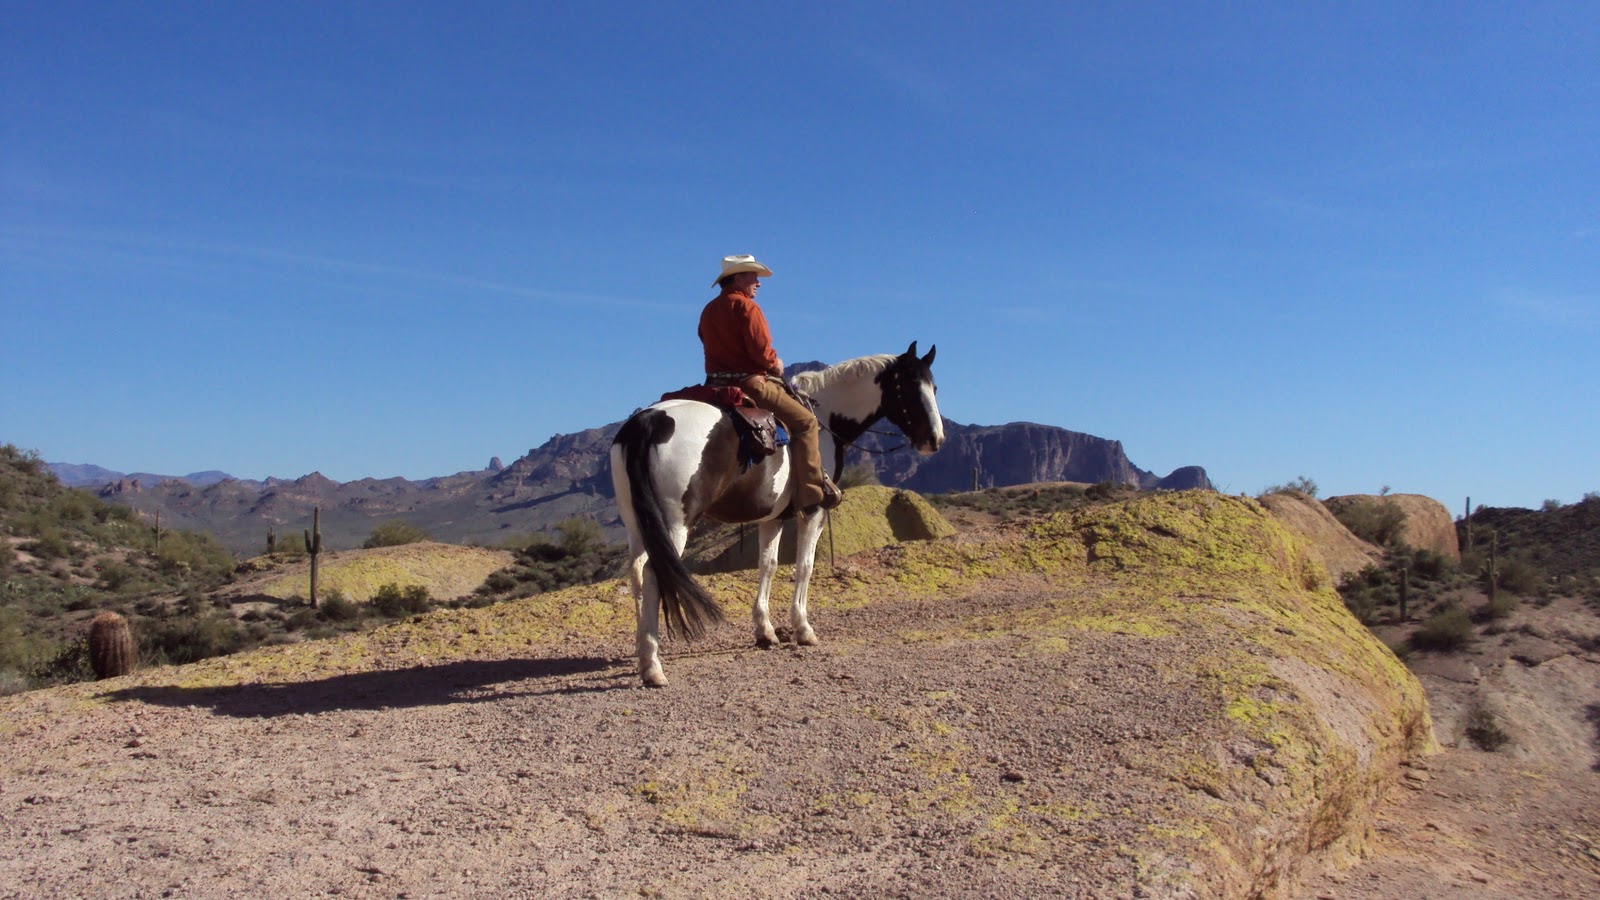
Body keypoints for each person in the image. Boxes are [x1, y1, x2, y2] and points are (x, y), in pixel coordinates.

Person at [699, 254, 842, 514]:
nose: (758, 283)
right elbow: (761, 352)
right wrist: (775, 364)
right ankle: (811, 494)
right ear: (738, 277)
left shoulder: (709, 310)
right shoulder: (747, 308)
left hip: (714, 386)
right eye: (753, 276)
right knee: (807, 422)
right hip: (751, 385)